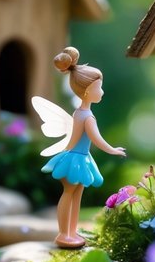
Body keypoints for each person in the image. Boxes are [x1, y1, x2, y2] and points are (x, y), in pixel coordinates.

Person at [41, 46, 126, 248]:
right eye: (99, 87)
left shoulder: (79, 112)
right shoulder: (87, 117)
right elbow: (97, 140)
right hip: (75, 159)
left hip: (79, 157)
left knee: (76, 194)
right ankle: (64, 233)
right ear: (87, 91)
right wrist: (112, 149)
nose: (102, 91)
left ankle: (71, 231)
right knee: (70, 194)